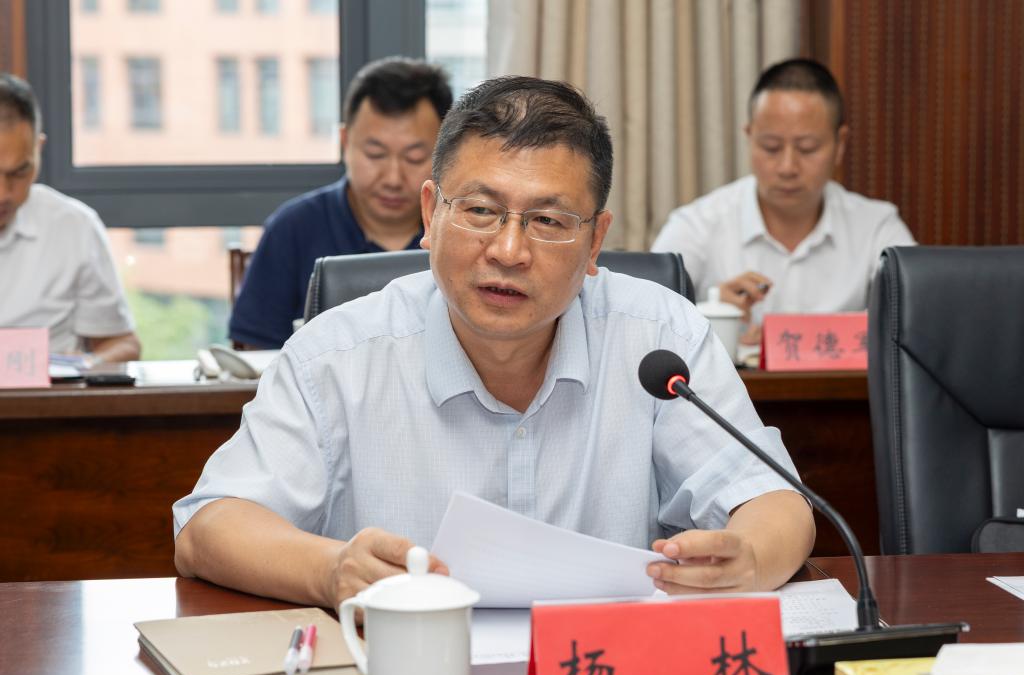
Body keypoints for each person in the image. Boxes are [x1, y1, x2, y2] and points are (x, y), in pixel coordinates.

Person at [174, 76, 814, 609]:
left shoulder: (660, 338)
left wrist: (750, 558)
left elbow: (778, 504)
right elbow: (209, 529)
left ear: (595, 241)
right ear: (431, 214)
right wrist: (331, 568)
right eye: (480, 211)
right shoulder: (335, 357)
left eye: (548, 220)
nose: (509, 251)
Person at [652, 58, 915, 343]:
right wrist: (707, 317)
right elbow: (646, 320)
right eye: (771, 147)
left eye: (807, 148)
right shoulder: (696, 225)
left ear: (840, 144)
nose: (787, 167)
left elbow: (916, 317)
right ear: (750, 137)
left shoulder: (877, 227)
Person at [229, 57, 453, 349]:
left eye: (414, 157)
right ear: (345, 142)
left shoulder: (462, 230)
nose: (393, 178)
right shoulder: (293, 228)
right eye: (375, 154)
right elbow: (256, 352)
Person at [0, 73, 140, 362]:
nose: (3, 194)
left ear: (38, 150)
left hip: (51, 389)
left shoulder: (73, 226)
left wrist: (80, 367)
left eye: (19, 172)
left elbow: (122, 343)